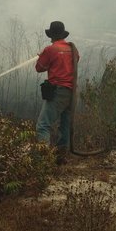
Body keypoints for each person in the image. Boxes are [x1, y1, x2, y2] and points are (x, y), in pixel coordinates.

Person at [35, 21, 79, 162]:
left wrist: (41, 55)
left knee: (43, 125)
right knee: (65, 124)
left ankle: (44, 159)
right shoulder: (72, 49)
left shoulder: (50, 49)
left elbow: (39, 68)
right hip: (71, 93)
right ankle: (61, 157)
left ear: (51, 35)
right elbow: (76, 61)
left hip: (58, 91)